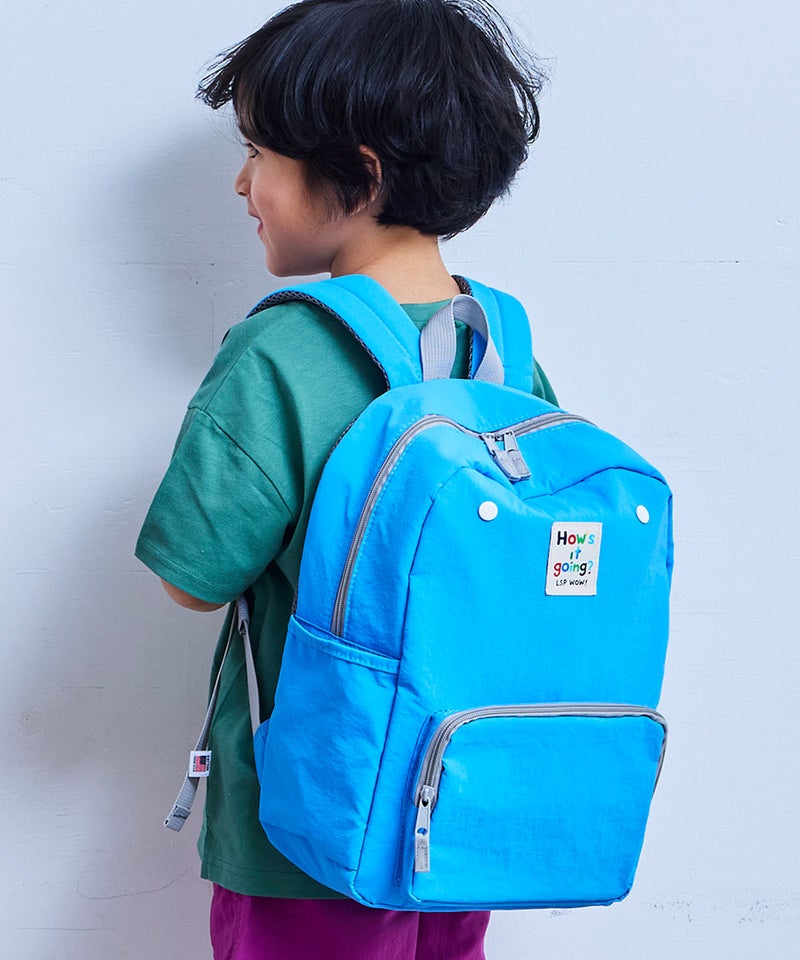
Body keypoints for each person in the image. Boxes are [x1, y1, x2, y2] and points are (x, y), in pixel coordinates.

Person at [136, 1, 557, 956]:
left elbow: (190, 580)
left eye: (258, 153)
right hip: (459, 810)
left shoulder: (281, 352)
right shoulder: (506, 352)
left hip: (313, 824)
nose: (242, 183)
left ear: (359, 176)